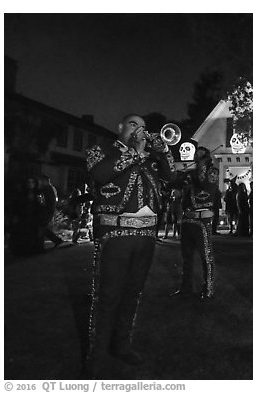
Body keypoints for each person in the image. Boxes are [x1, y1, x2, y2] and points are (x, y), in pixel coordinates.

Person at [83, 113, 175, 378]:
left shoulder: (150, 158)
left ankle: (122, 344)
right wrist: (135, 152)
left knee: (133, 294)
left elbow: (172, 178)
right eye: (134, 124)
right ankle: (97, 355)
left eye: (144, 127)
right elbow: (100, 174)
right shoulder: (100, 149)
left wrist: (163, 150)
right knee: (108, 296)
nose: (141, 130)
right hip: (115, 233)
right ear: (120, 127)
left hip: (146, 235)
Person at [172, 146, 218, 300]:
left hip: (202, 220)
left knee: (206, 256)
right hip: (187, 219)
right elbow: (177, 187)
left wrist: (202, 166)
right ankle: (186, 287)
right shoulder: (191, 174)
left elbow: (205, 184)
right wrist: (180, 178)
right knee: (187, 257)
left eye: (200, 155)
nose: (197, 157)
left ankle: (209, 288)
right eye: (196, 155)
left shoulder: (212, 172)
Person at [38, 175, 64, 249]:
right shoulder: (52, 188)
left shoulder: (47, 189)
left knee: (42, 227)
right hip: (50, 210)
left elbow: (49, 201)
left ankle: (41, 245)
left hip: (47, 211)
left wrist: (45, 209)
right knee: (43, 227)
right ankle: (57, 240)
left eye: (41, 181)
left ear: (45, 181)